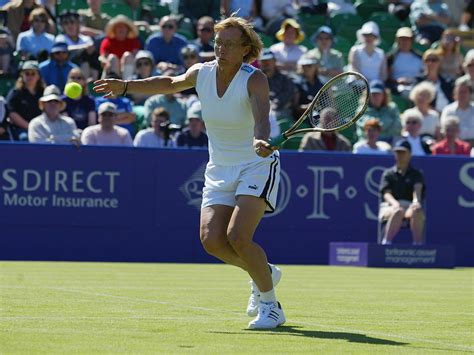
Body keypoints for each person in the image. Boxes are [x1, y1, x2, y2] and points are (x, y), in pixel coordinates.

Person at [93, 15, 286, 329]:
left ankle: (270, 305)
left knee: (238, 236)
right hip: (219, 167)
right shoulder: (201, 72)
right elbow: (169, 84)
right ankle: (263, 271)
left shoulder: (255, 79)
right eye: (217, 43)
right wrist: (127, 86)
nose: (220, 49)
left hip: (256, 163)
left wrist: (260, 139)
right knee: (211, 241)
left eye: (229, 44)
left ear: (245, 49)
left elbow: (262, 117)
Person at [379, 139, 426, 245]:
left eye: (403, 152)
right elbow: (386, 193)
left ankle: (418, 245)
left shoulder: (416, 174)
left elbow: (417, 189)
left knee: (417, 211)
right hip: (389, 206)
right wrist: (395, 204)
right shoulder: (388, 174)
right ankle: (386, 243)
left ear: (409, 154)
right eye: (398, 152)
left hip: (409, 207)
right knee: (398, 212)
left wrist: (416, 202)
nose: (400, 155)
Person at [6, 60, 45, 141]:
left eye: (33, 74)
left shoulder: (44, 92)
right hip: (21, 129)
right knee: (25, 138)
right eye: (27, 73)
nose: (30, 76)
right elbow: (11, 113)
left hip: (43, 128)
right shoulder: (15, 93)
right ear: (22, 75)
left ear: (38, 76)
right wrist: (30, 127)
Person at [259, 49, 298, 121]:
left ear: (274, 61)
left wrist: (273, 105)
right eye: (263, 61)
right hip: (259, 110)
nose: (266, 63)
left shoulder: (285, 78)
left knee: (275, 117)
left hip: (280, 110)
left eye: (269, 60)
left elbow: (286, 95)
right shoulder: (255, 78)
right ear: (259, 62)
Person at [99, 15, 141, 80]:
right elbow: (103, 58)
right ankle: (112, 84)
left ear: (128, 30)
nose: (121, 29)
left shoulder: (134, 41)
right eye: (118, 27)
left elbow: (136, 57)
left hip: (130, 71)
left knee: (128, 56)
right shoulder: (107, 41)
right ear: (114, 29)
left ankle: (127, 85)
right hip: (111, 70)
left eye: (123, 27)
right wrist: (107, 62)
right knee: (112, 58)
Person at [386, 27, 424, 96]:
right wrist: (397, 81)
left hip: (416, 85)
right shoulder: (391, 57)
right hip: (396, 87)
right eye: (402, 39)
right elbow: (387, 77)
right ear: (397, 41)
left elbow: (424, 73)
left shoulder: (420, 57)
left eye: (407, 39)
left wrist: (414, 80)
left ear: (411, 41)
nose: (404, 42)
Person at [440, 77, 474, 146]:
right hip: (454, 145)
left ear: (470, 94)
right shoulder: (448, 110)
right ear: (454, 95)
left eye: (464, 92)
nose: (462, 95)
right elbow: (444, 129)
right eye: (459, 92)